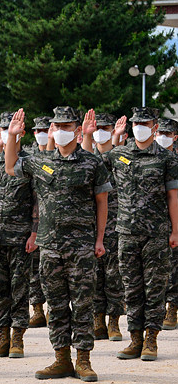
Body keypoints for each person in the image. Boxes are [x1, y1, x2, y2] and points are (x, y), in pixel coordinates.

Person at [5, 107, 110, 383]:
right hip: (50, 248)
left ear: (77, 130)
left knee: (83, 304)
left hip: (82, 247)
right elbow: (10, 167)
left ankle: (83, 360)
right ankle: (61, 358)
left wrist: (99, 239)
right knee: (57, 304)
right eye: (56, 125)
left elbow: (102, 202)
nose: (61, 130)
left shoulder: (92, 163)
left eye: (67, 125)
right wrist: (13, 138)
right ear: (52, 130)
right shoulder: (40, 161)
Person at [98, 108, 178, 361]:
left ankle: (151, 339)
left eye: (145, 123)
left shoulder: (166, 159)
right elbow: (97, 164)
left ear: (154, 127)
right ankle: (135, 339)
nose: (139, 127)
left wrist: (176, 229)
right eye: (136, 123)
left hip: (156, 233)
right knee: (131, 289)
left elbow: (173, 196)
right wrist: (114, 138)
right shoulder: (119, 154)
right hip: (126, 233)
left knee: (155, 288)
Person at [0, 112, 36, 359]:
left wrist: (35, 232)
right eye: (5, 128)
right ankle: (2, 337)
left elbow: (38, 200)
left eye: (13, 128)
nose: (9, 132)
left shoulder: (28, 163)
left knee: (19, 289)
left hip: (20, 238)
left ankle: (17, 339)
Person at [80, 112, 126, 341]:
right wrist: (87, 134)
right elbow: (87, 157)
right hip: (92, 224)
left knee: (114, 275)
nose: (102, 131)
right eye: (100, 128)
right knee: (94, 275)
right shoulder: (89, 157)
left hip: (116, 224)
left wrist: (116, 139)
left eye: (106, 128)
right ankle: (98, 318)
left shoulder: (119, 156)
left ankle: (114, 321)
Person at [28, 116, 52, 328]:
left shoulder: (60, 155)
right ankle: (37, 308)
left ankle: (53, 309)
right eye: (38, 130)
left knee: (52, 271)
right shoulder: (30, 157)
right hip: (30, 222)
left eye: (46, 129)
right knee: (34, 270)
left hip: (53, 222)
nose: (42, 133)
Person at [157, 118, 178, 330]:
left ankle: (173, 306)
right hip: (157, 220)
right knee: (161, 266)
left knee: (175, 266)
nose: (163, 137)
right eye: (160, 133)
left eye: (167, 133)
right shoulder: (153, 159)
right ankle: (160, 305)